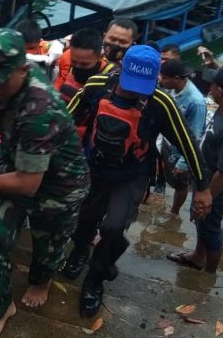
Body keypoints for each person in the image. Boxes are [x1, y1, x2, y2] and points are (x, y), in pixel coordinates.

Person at [0, 29, 89, 338]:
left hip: (59, 186)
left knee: (49, 246)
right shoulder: (3, 85)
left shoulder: (39, 109)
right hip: (18, 167)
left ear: (21, 68)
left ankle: (41, 280)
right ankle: (1, 306)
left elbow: (29, 184)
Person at [64, 45, 211, 317]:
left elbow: (187, 142)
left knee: (114, 225)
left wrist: (202, 187)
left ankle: (95, 279)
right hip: (95, 167)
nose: (135, 91)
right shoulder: (96, 85)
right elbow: (65, 118)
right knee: (85, 217)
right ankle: (79, 250)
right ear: (120, 69)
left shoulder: (161, 103)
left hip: (132, 175)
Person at [167, 64, 223, 273]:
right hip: (205, 179)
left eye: (212, 85)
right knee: (202, 224)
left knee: (210, 226)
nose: (209, 88)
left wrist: (205, 197)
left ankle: (208, 273)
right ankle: (197, 256)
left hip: (218, 188)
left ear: (220, 91)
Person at [157, 58, 207, 215]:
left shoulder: (196, 102)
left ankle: (174, 211)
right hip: (167, 143)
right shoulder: (171, 90)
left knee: (180, 184)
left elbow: (195, 134)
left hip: (181, 152)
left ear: (177, 79)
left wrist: (184, 164)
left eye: (164, 78)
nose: (161, 80)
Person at [54, 28, 114, 103]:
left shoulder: (111, 79)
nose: (77, 67)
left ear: (100, 57)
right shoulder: (67, 58)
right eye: (73, 62)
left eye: (84, 64)